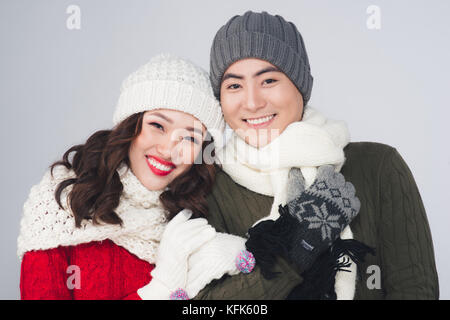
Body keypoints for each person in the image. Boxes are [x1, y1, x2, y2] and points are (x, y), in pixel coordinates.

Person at [192, 11, 439, 299]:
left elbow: (415, 289)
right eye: (234, 85)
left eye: (269, 80)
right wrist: (299, 246)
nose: (252, 101)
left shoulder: (378, 166)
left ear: (300, 85)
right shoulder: (209, 185)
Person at [17, 54, 255, 300]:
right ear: (131, 125)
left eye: (190, 138)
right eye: (158, 126)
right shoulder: (64, 201)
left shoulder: (197, 218)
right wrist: (160, 289)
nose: (167, 150)